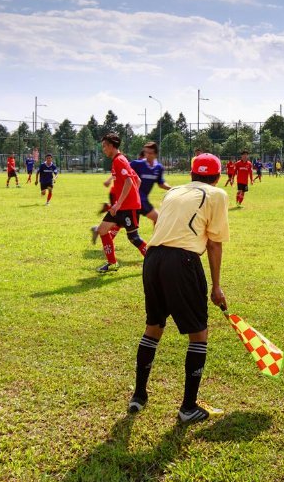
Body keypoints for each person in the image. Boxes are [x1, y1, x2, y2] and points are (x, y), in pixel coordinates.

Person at [128, 152, 229, 424]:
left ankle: (138, 396)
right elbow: (214, 243)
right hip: (182, 261)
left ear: (192, 174)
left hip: (153, 258)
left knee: (154, 327)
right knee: (199, 334)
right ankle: (188, 408)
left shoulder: (172, 193)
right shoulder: (217, 194)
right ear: (217, 177)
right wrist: (216, 287)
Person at [91, 133, 146, 273]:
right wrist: (129, 198)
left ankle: (154, 260)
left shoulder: (119, 161)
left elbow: (129, 181)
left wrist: (123, 202)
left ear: (111, 146)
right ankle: (112, 263)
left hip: (127, 207)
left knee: (133, 238)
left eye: (104, 146)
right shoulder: (120, 160)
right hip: (121, 206)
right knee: (102, 230)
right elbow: (137, 180)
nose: (103, 149)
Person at [130, 142, 172, 223]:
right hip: (137, 199)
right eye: (146, 152)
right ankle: (157, 236)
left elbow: (161, 184)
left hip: (142, 200)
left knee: (124, 223)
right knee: (158, 218)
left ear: (156, 154)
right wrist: (110, 179)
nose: (147, 155)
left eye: (150, 153)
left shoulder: (159, 168)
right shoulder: (137, 164)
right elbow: (123, 169)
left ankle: (99, 229)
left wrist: (173, 189)